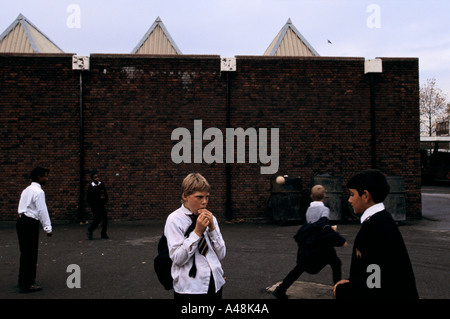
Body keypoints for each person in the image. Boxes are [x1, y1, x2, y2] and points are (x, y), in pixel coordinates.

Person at [333, 169, 418, 299]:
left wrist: (341, 290)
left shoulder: (372, 229)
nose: (349, 200)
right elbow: (377, 271)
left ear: (366, 195)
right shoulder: (383, 220)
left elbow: (373, 285)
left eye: (352, 194)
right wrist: (353, 281)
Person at [273, 185, 347, 299]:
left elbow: (313, 225)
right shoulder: (324, 209)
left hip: (309, 242)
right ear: (324, 196)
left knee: (299, 267)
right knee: (336, 263)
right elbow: (323, 226)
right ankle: (338, 292)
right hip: (322, 245)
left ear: (311, 196)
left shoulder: (309, 209)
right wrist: (340, 240)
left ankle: (280, 289)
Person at [164, 173, 226, 299]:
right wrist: (197, 232)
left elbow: (221, 254)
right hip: (190, 287)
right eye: (199, 197)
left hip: (215, 281)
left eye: (207, 197)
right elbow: (177, 258)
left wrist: (212, 229)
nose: (204, 202)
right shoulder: (174, 220)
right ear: (185, 196)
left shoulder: (211, 218)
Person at [17, 167, 52, 293]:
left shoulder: (26, 190)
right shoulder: (39, 192)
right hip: (30, 223)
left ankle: (22, 280)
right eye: (45, 176)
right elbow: (42, 210)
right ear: (39, 177)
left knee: (25, 253)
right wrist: (47, 228)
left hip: (21, 221)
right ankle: (28, 283)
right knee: (31, 254)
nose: (47, 179)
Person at [86, 172, 109, 240]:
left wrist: (104, 199)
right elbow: (89, 198)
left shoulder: (101, 184)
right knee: (97, 219)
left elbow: (105, 193)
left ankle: (103, 233)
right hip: (95, 206)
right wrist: (93, 204)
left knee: (105, 219)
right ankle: (90, 230)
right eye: (95, 177)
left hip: (101, 205)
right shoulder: (91, 187)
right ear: (92, 179)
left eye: (98, 177)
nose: (97, 178)